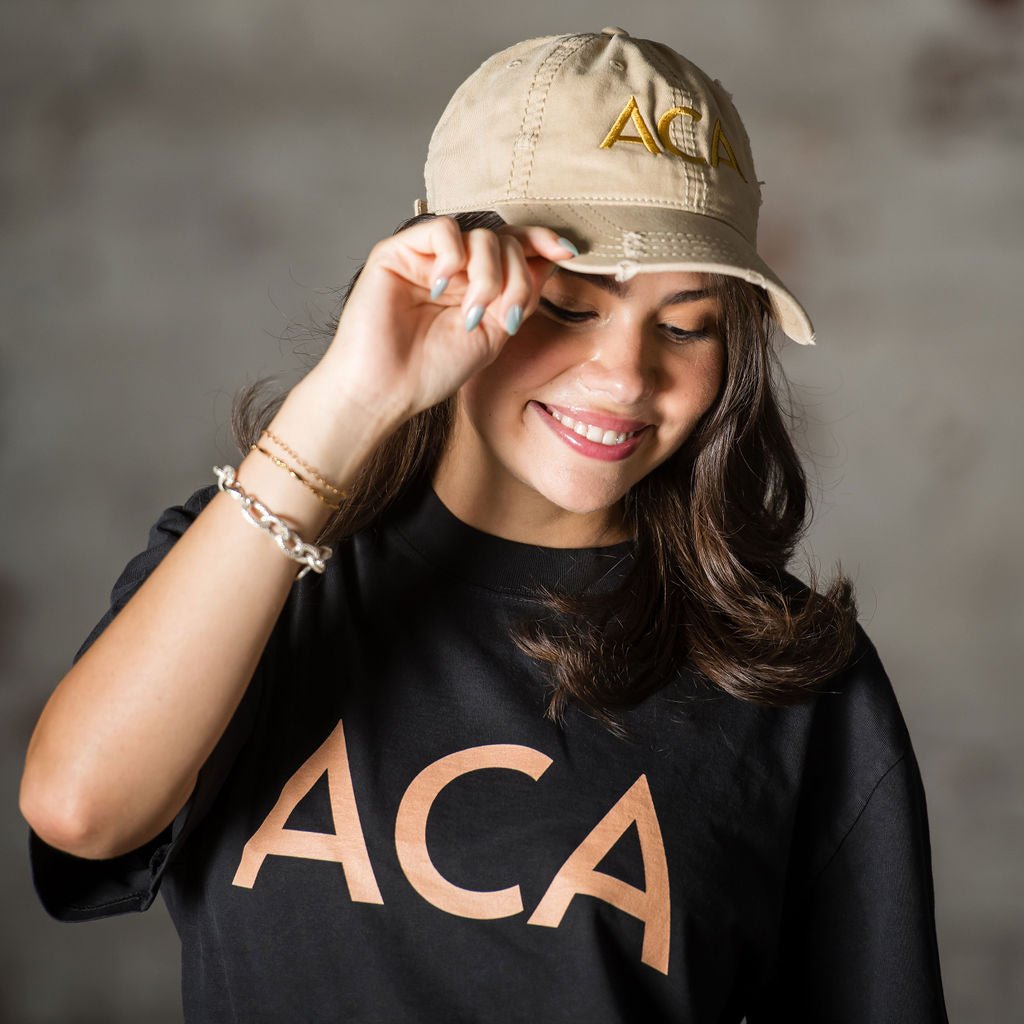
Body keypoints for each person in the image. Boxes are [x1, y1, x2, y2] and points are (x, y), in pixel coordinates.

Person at [20, 28, 948, 1023]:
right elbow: (82, 813)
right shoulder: (249, 563)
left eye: (685, 324)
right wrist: (348, 399)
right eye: (567, 307)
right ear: (443, 277)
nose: (627, 376)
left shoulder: (793, 675)